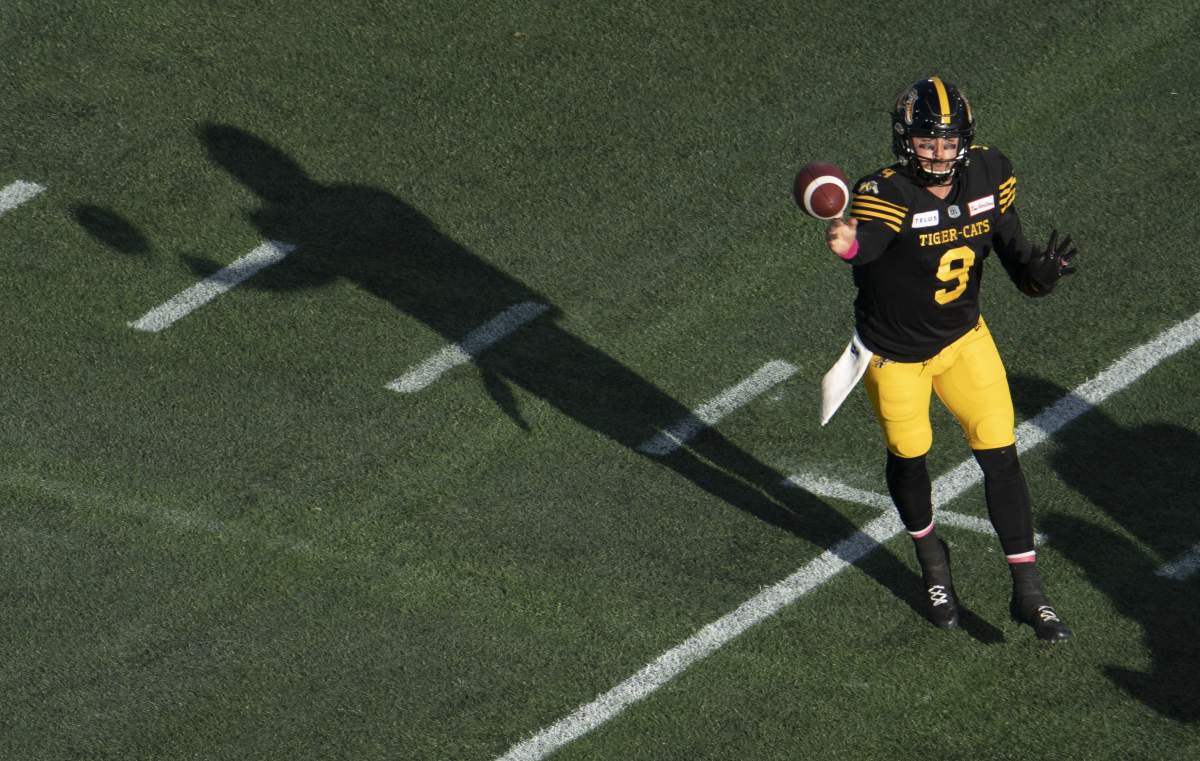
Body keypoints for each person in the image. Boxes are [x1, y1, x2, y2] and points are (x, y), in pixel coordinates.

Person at [825, 76, 1078, 641]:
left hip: (964, 340)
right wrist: (846, 242)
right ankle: (933, 563)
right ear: (904, 140)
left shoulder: (989, 172)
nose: (938, 153)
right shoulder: (884, 192)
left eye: (948, 140)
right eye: (926, 141)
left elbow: (1018, 264)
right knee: (911, 455)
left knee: (1000, 451)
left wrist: (1042, 275)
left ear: (966, 138)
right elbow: (865, 248)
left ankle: (1029, 591)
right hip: (895, 355)